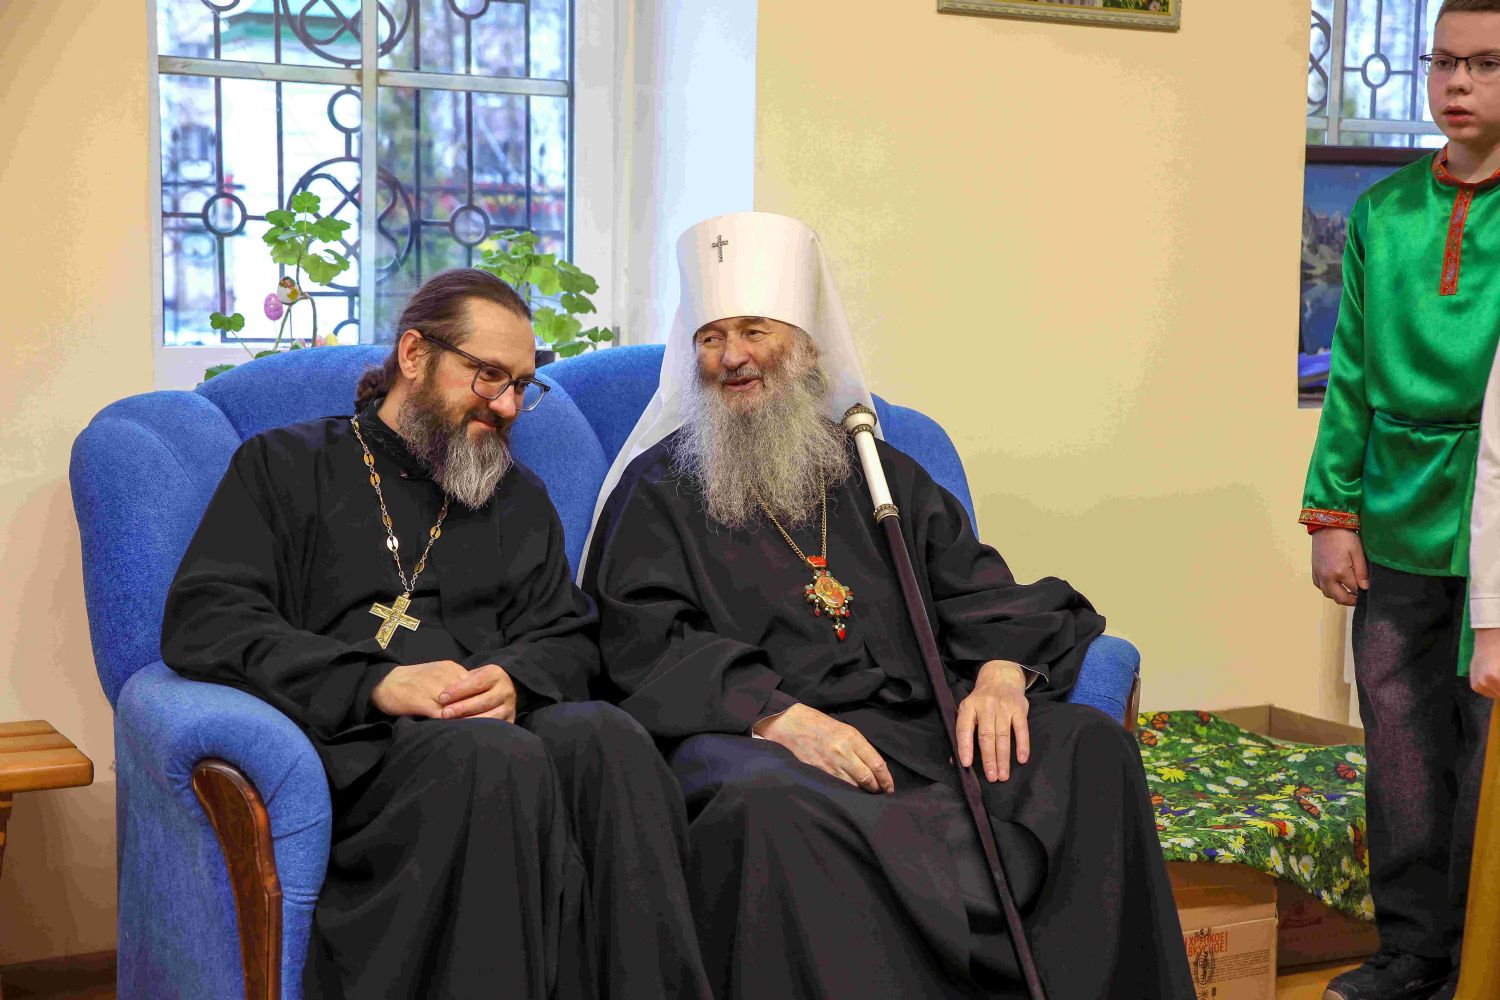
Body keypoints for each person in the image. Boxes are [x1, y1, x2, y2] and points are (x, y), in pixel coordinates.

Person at [582, 211, 1193, 999]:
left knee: (1088, 747)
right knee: (770, 807)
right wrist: (779, 717)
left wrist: (1001, 675)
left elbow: (981, 591)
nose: (732, 357)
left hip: (917, 731)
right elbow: (642, 642)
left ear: (805, 349)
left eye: (755, 331)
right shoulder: (657, 491)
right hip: (755, 740)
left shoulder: (877, 472)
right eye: (711, 338)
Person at [161, 268, 711, 1000]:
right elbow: (207, 617)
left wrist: (515, 680)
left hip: (501, 744)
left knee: (608, 739)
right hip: (363, 759)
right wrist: (376, 682)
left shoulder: (517, 496)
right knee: (494, 758)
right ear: (415, 354)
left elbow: (571, 637)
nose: (507, 405)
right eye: (489, 376)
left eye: (521, 385)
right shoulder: (285, 466)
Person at [1301, 3, 1500, 997]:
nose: (1458, 83)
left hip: (1495, 510)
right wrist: (1333, 514)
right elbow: (1349, 372)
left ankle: (1478, 959)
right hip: (1392, 506)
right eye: (1444, 61)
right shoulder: (1383, 213)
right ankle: (1413, 954)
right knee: (1403, 747)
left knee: (1484, 754)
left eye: (1487, 64)